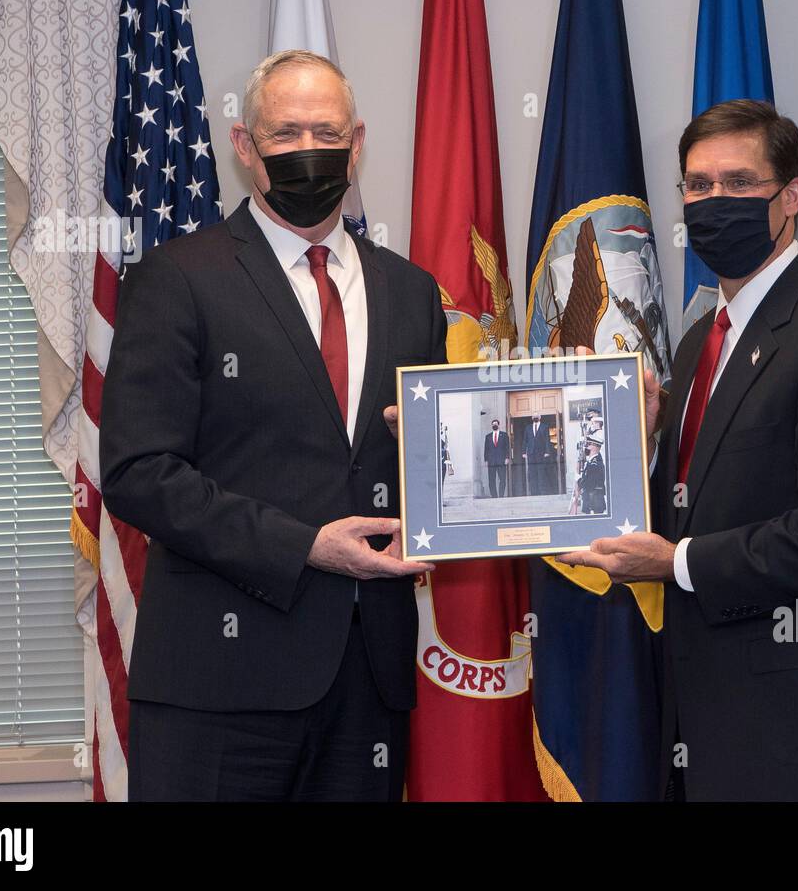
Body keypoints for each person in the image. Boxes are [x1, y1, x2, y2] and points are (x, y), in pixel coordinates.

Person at [100, 50, 444, 801]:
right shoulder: (177, 279)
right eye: (285, 133)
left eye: (325, 131)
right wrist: (307, 548)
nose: (308, 149)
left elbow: (441, 467)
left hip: (368, 685)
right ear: (243, 146)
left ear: (356, 145)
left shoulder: (412, 292)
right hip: (219, 689)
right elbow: (138, 474)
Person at [560, 99, 798, 801]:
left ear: (791, 197)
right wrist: (649, 444)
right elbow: (714, 496)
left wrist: (678, 562)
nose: (713, 202)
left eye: (738, 183)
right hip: (707, 716)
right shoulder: (701, 343)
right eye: (698, 186)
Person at [522, 413, 553, 495]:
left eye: (537, 416)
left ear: (540, 417)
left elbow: (547, 439)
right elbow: (525, 440)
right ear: (532, 418)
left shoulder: (544, 426)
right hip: (531, 454)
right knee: (532, 473)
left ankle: (542, 492)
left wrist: (547, 452)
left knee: (541, 473)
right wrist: (523, 452)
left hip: (541, 454)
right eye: (534, 416)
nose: (535, 417)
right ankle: (533, 493)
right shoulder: (528, 428)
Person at [578, 433, 607, 514]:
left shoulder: (595, 463)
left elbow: (590, 483)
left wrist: (579, 481)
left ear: (594, 447)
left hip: (594, 501)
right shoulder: (591, 461)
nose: (586, 447)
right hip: (591, 500)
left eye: (588, 445)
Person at [482, 417, 510, 497]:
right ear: (491, 425)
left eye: (496, 424)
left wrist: (507, 458)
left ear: (499, 425)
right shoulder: (488, 436)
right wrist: (486, 460)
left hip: (501, 460)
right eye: (493, 424)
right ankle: (494, 496)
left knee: (502, 479)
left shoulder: (504, 435)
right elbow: (486, 449)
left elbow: (507, 447)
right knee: (491, 480)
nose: (494, 425)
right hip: (491, 461)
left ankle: (501, 495)